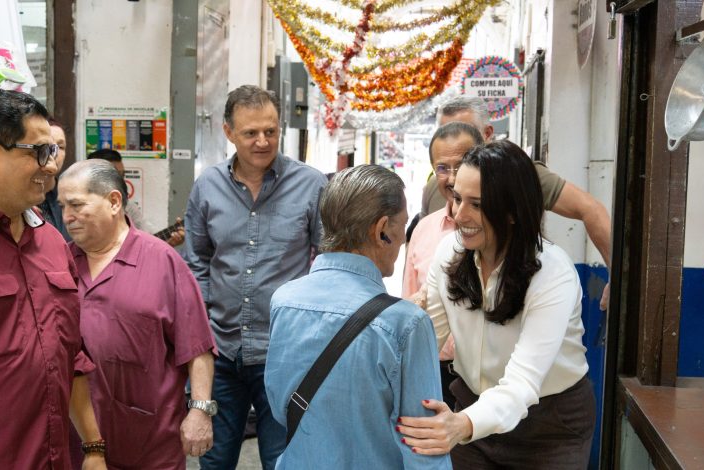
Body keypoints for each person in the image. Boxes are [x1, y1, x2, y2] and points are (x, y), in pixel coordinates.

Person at [398, 141, 595, 468]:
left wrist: (460, 424)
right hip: (473, 413)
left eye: (477, 204)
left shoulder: (552, 274)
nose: (459, 215)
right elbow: (425, 343)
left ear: (513, 211)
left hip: (549, 427)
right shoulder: (449, 254)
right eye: (458, 199)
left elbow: (521, 386)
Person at [0, 89, 106, 469]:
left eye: (52, 152)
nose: (51, 166)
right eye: (39, 152)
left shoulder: (52, 242)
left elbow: (70, 356)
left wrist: (93, 447)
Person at [264, 165, 451, 470]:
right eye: (402, 226)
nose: (404, 238)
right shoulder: (406, 324)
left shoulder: (284, 301)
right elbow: (424, 447)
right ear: (381, 231)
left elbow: (278, 406)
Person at [184, 84, 327, 470]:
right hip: (221, 353)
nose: (263, 141)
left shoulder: (311, 185)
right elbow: (197, 262)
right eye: (251, 133)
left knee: (284, 462)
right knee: (215, 462)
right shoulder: (207, 187)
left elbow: (327, 260)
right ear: (228, 132)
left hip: (285, 353)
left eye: (271, 130)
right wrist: (203, 331)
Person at [58, 159, 217, 469]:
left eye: (76, 205)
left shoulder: (162, 262)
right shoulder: (60, 265)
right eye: (62, 206)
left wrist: (199, 410)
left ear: (114, 202)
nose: (67, 217)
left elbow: (196, 346)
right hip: (79, 443)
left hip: (150, 443)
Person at [419, 96, 612, 310]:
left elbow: (590, 208)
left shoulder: (521, 176)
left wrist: (617, 276)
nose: (453, 141)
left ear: (487, 134)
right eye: (446, 132)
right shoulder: (434, 187)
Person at [403, 122, 484, 410]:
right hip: (434, 373)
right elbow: (410, 305)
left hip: (487, 377)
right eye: (442, 168)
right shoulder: (423, 230)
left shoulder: (500, 230)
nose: (451, 178)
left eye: (460, 165)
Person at [87, 148, 185, 247]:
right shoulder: (79, 209)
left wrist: (169, 244)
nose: (121, 181)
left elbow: (147, 245)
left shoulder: (128, 208)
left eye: (122, 175)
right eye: (115, 176)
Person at [37, 117, 71, 240]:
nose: (55, 153)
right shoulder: (17, 197)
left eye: (61, 147)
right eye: (48, 146)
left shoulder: (69, 195)